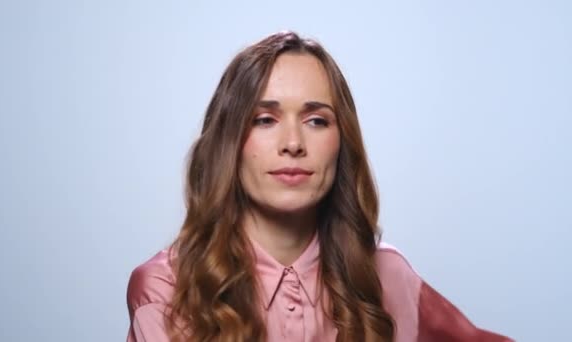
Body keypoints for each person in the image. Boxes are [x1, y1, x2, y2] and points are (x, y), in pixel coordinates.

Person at [126, 31, 513, 342]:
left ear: (341, 141)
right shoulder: (167, 288)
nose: (292, 142)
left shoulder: (386, 274)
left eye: (316, 121)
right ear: (229, 142)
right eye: (264, 119)